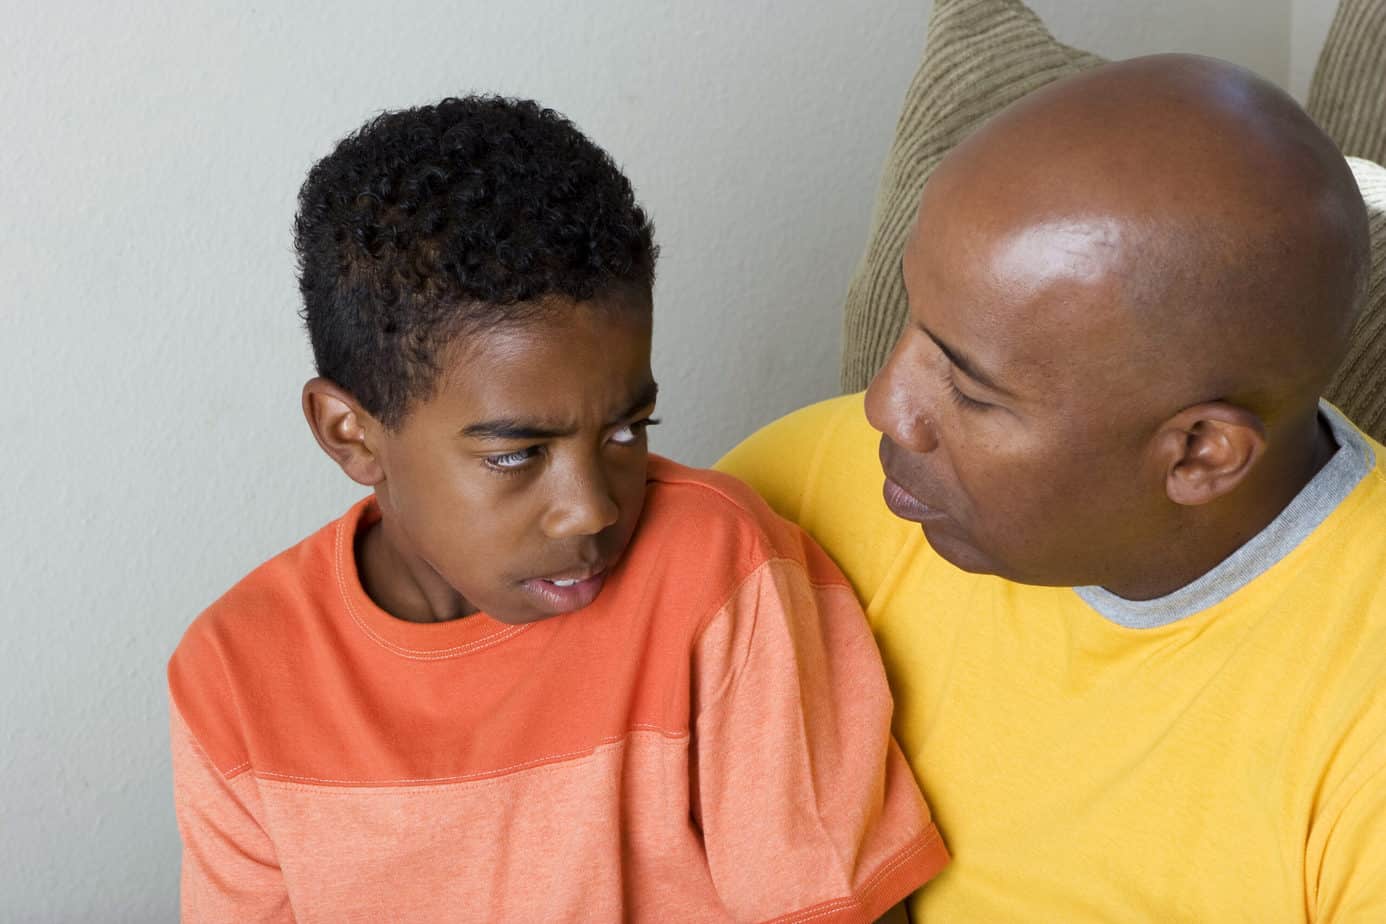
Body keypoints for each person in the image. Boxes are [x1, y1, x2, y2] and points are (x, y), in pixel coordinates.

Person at [167, 96, 946, 922]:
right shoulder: (236, 674)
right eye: (516, 454)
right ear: (351, 433)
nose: (590, 512)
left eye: (626, 430)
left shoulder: (719, 575)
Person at [719, 55, 1386, 922]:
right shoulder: (798, 491)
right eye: (915, 319)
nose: (885, 406)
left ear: (1199, 454)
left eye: (970, 388)